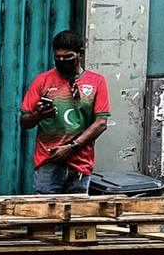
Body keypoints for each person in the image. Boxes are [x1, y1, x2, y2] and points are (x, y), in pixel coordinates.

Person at [20, 30, 111, 194]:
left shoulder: (97, 82)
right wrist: (38, 116)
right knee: (44, 209)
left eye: (68, 57)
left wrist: (72, 147)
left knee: (77, 209)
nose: (62, 61)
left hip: (80, 164)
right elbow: (24, 122)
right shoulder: (42, 80)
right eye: (58, 57)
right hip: (48, 160)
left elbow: (101, 124)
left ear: (80, 53)